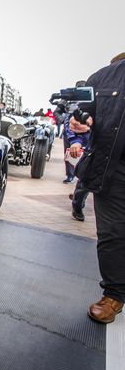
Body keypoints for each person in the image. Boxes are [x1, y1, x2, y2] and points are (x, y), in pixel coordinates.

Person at [69, 52, 125, 324]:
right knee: (112, 233)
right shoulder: (104, 76)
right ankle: (114, 294)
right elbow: (81, 116)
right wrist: (79, 124)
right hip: (113, 169)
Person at [64, 118, 91, 221]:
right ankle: (77, 206)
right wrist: (76, 141)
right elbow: (72, 123)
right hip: (97, 150)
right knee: (86, 181)